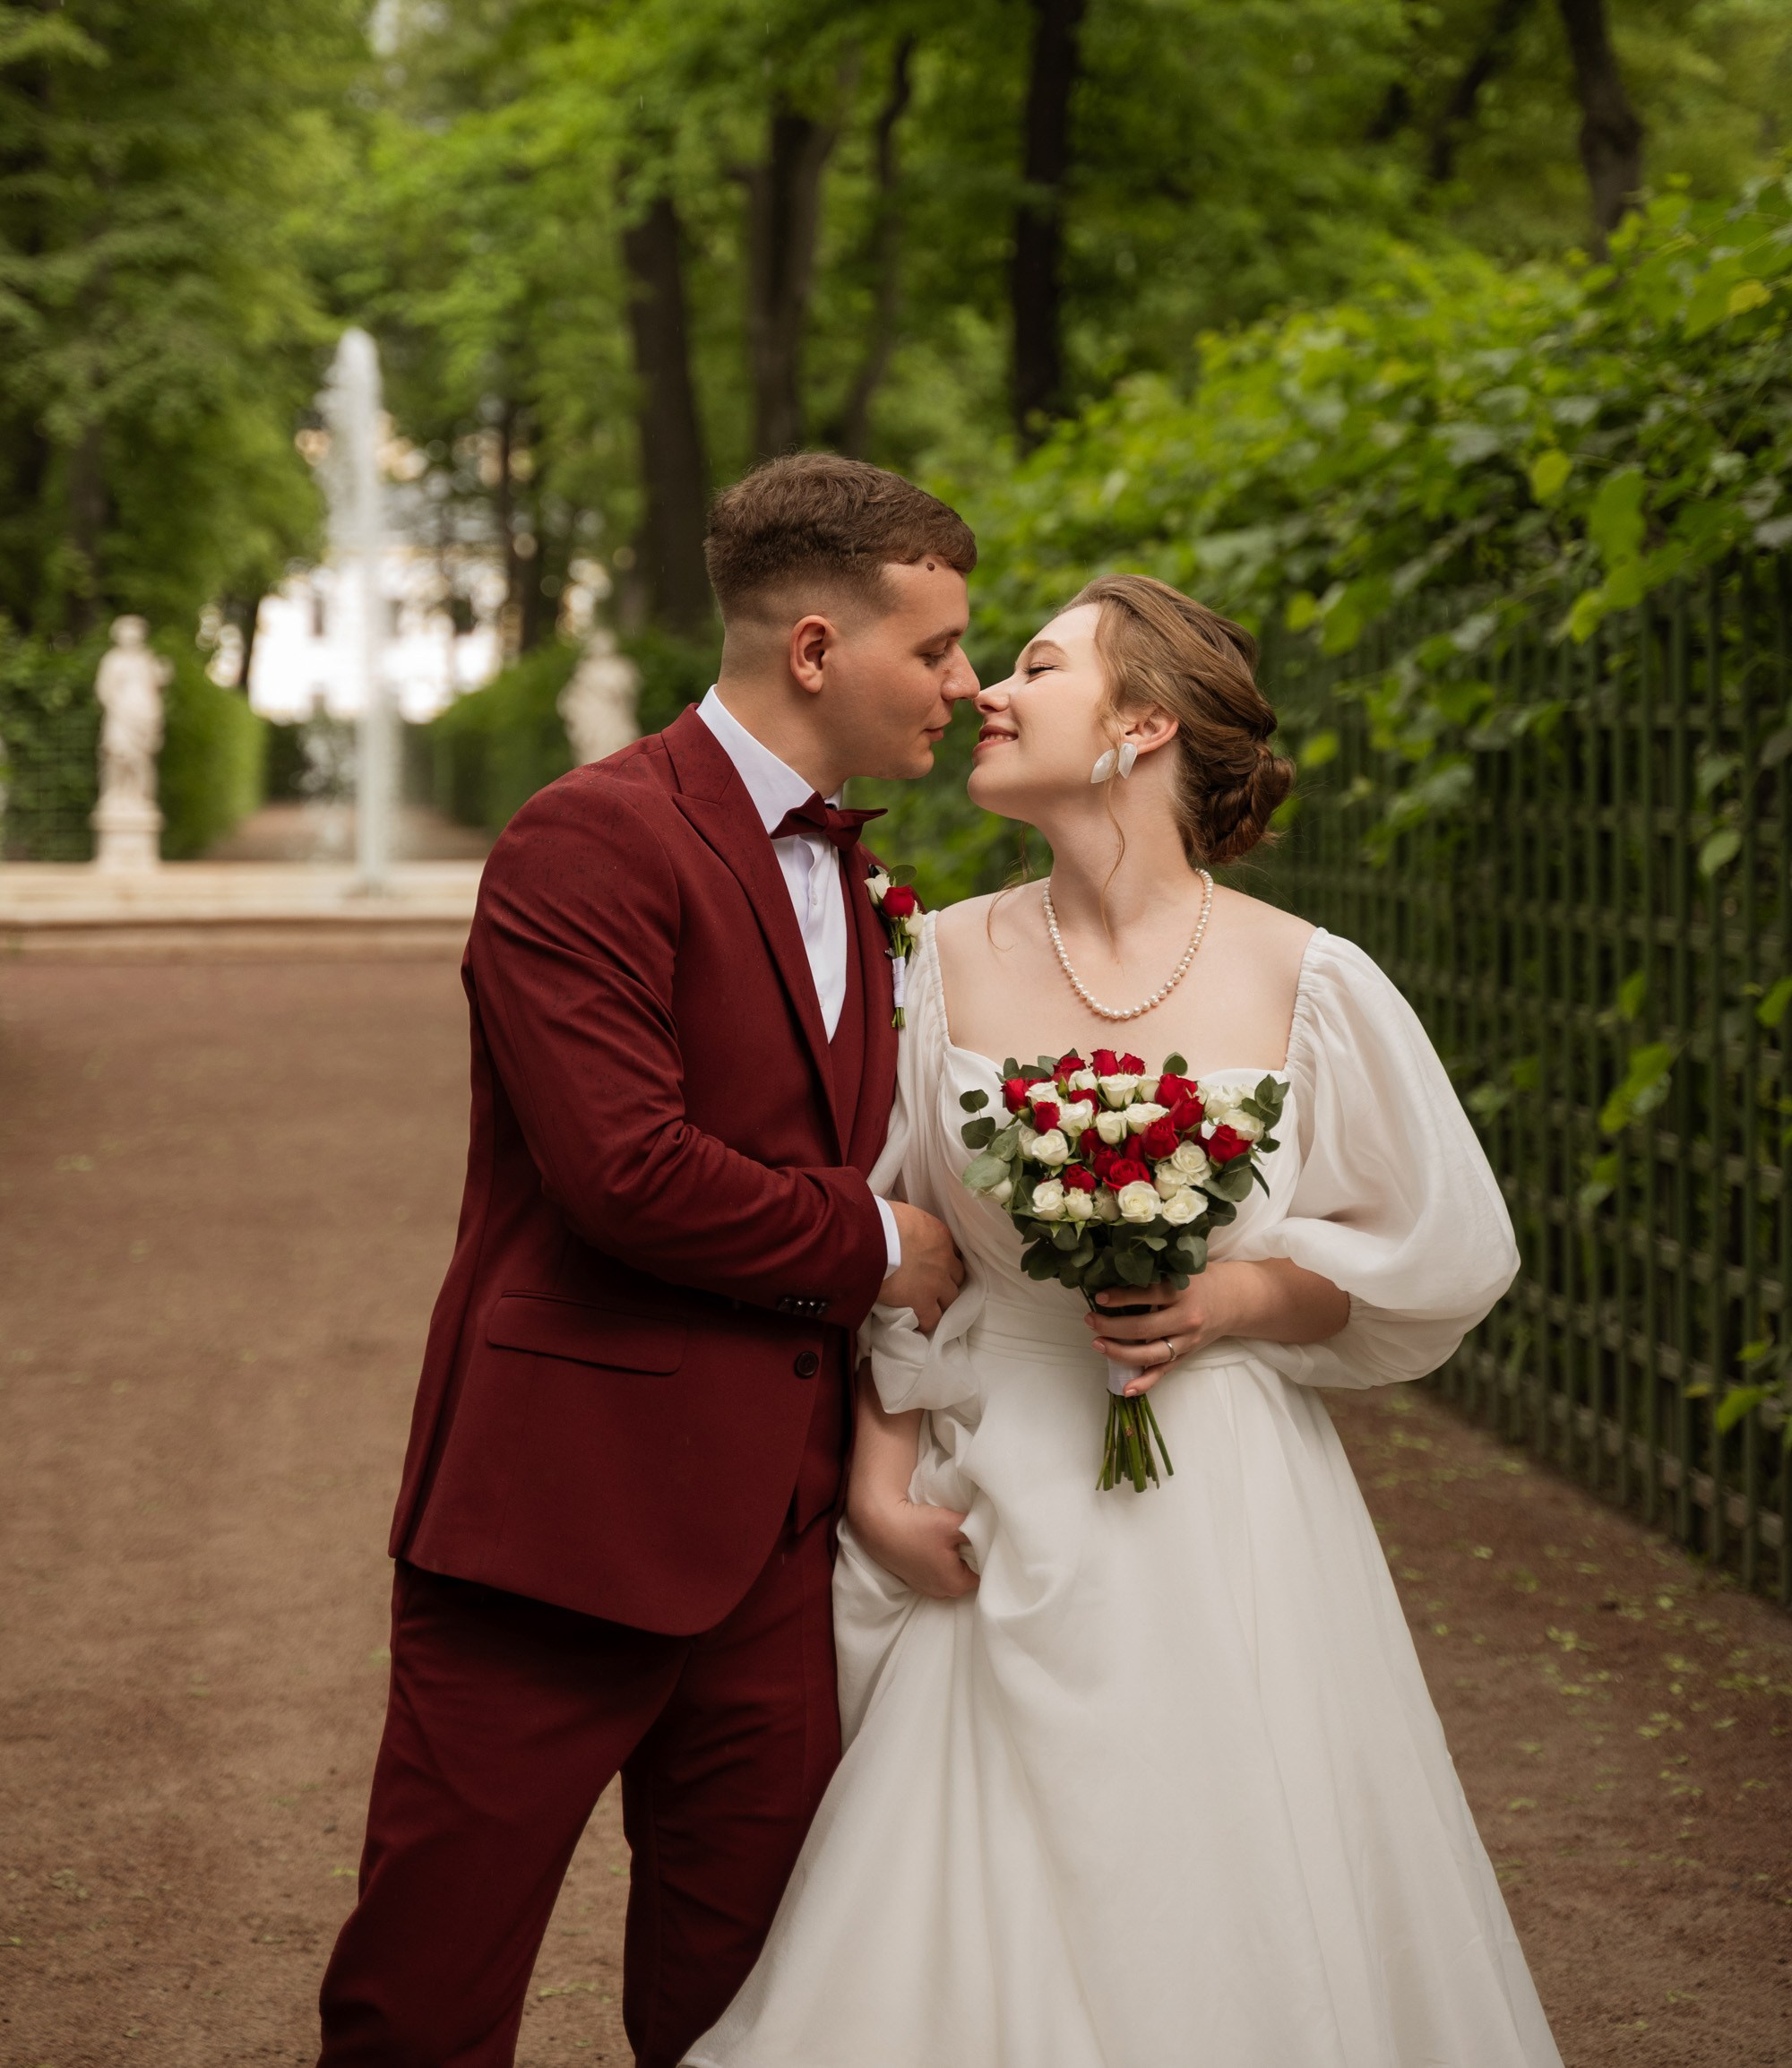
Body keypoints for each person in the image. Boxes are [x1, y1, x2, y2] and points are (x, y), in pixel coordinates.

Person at [693, 573, 1564, 2068]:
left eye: (1035, 666)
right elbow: (904, 1236)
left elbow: (1444, 1247)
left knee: (1233, 1868)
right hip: (994, 1482)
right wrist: (879, 1477)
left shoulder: (1311, 979)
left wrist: (1233, 1296)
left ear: (1144, 722)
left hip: (1225, 1494)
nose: (986, 692)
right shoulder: (931, 961)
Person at [316, 453, 979, 2068]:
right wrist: (882, 1242)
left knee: (749, 2000)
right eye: (940, 647)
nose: (965, 687)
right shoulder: (586, 840)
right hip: (557, 1523)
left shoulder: (870, 874)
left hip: (777, 1541)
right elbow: (625, 1173)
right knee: (431, 1986)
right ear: (815, 647)